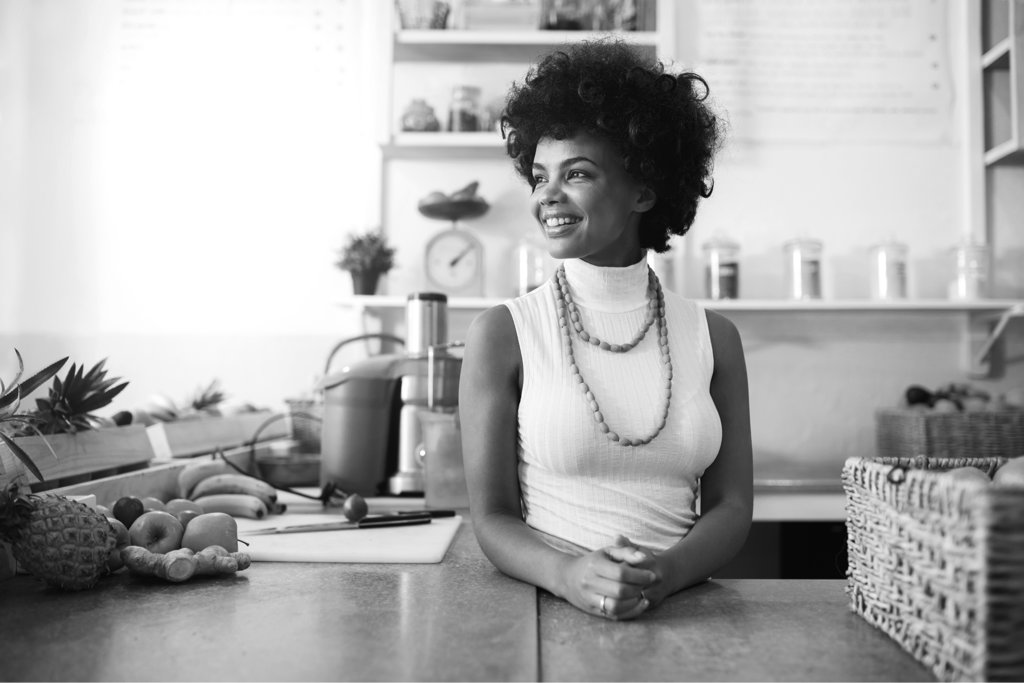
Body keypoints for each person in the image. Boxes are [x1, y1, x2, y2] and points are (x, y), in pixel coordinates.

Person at [458, 39, 752, 621]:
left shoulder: (713, 336)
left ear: (644, 190)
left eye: (577, 174)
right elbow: (491, 519)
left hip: (681, 614)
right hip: (549, 615)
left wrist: (663, 575)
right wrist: (570, 575)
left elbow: (732, 505)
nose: (548, 196)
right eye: (540, 176)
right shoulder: (503, 334)